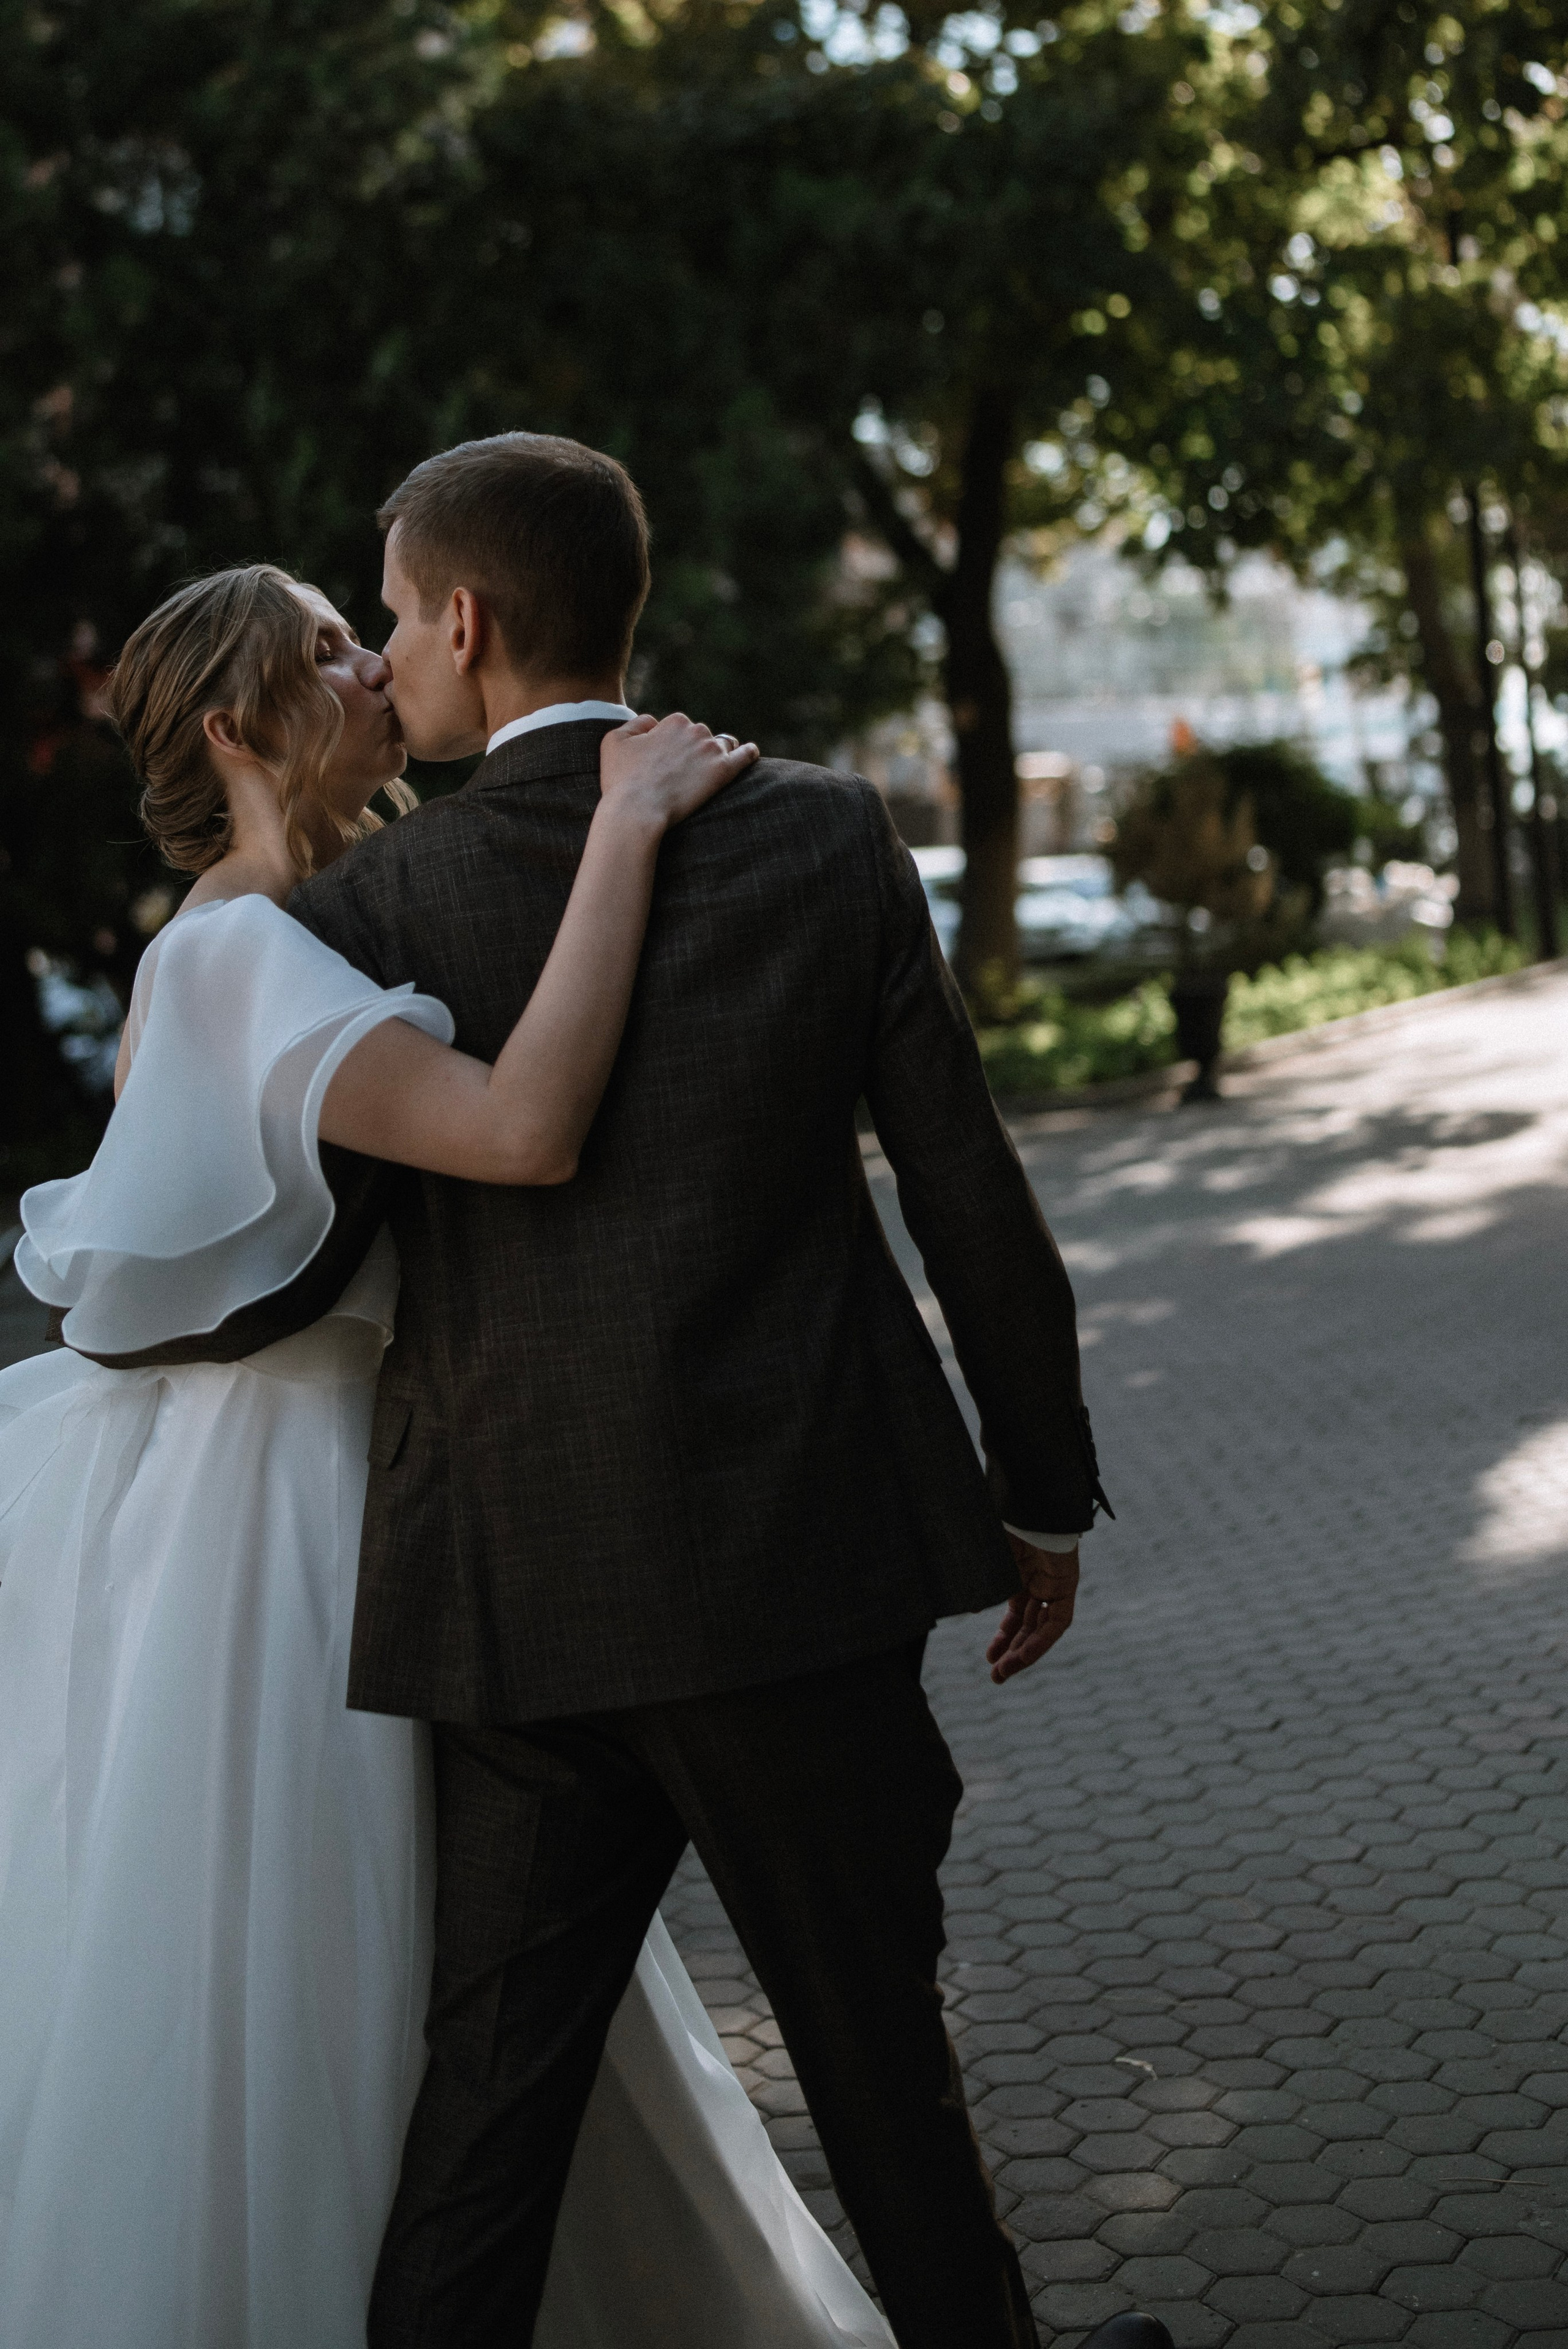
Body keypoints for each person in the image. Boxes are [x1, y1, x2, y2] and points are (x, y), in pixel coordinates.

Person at [290, 433, 1166, 2349]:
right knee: (883, 2081)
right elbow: (966, 1184)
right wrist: (1037, 1488)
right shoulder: (828, 830)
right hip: (796, 1575)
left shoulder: (381, 905)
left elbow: (323, 1258)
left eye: (389, 619)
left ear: (465, 615)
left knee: (486, 2124)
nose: (387, 659)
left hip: (517, 1605)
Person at [0, 562, 899, 2348]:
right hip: (300, 1535)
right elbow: (526, 1127)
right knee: (351, 1996)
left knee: (454, 2006)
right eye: (328, 647)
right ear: (241, 728)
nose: (372, 663)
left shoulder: (238, 938)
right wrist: (628, 828)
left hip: (265, 1493)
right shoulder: (246, 953)